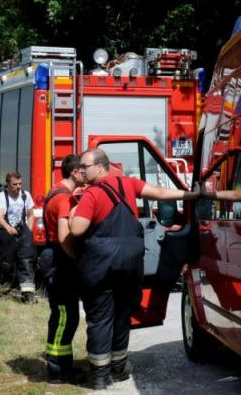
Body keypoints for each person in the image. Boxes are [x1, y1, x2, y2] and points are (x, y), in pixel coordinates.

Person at [69, 148, 199, 389]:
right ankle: (119, 368)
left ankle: (99, 375)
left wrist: (73, 212)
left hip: (101, 266)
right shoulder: (128, 184)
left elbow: (77, 229)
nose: (81, 171)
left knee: (100, 319)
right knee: (121, 315)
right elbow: (160, 193)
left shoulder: (91, 194)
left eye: (85, 166)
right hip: (130, 263)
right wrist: (191, 195)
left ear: (100, 167)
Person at [41, 155, 86, 384]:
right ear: (75, 172)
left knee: (65, 315)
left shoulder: (55, 191)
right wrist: (77, 257)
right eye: (83, 170)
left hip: (53, 257)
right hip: (59, 260)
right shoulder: (64, 199)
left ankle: (63, 365)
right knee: (64, 316)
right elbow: (63, 235)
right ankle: (57, 368)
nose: (85, 174)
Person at [0, 171, 37, 302]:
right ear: (8, 184)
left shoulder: (25, 195)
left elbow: (30, 214)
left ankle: (27, 295)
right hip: (7, 232)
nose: (18, 187)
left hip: (23, 232)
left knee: (26, 262)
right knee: (6, 264)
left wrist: (29, 229)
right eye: (15, 184)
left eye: (20, 184)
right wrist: (8, 228)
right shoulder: (1, 197)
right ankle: (2, 292)